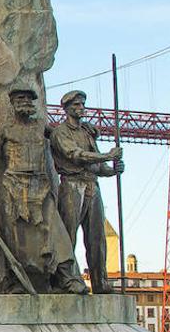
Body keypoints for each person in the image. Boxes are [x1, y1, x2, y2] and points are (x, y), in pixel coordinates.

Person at [0, 87, 89, 294]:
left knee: (57, 233)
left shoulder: (41, 127)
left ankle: (67, 278)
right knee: (17, 240)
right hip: (13, 186)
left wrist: (84, 129)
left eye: (29, 98)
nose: (26, 101)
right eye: (21, 98)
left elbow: (64, 138)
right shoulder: (6, 130)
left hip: (40, 185)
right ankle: (20, 282)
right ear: (13, 103)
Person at [50, 89, 125, 293]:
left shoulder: (87, 132)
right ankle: (65, 280)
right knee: (68, 237)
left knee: (97, 238)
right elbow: (76, 156)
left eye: (83, 104)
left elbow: (98, 167)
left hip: (92, 186)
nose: (81, 108)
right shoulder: (60, 133)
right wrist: (107, 156)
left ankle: (100, 282)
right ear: (66, 108)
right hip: (71, 186)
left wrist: (112, 170)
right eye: (76, 105)